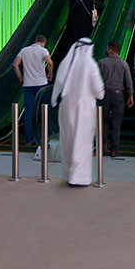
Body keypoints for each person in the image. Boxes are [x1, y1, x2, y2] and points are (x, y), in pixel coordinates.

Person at [51, 38, 104, 187]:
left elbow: (59, 84)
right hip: (84, 110)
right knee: (82, 143)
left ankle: (69, 175)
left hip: (66, 109)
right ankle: (79, 178)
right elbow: (98, 89)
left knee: (68, 141)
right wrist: (101, 94)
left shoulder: (66, 62)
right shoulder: (89, 63)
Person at [12, 34, 54, 145]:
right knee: (45, 110)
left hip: (28, 85)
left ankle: (28, 139)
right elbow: (50, 62)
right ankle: (47, 136)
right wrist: (50, 74)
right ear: (43, 43)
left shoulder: (24, 51)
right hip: (42, 85)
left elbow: (15, 65)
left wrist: (21, 78)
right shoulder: (43, 51)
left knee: (29, 111)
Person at [98, 40, 133, 157]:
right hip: (118, 96)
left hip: (104, 94)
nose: (107, 50)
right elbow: (128, 82)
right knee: (116, 122)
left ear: (111, 50)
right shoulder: (124, 64)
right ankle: (114, 149)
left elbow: (96, 79)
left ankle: (103, 146)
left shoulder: (101, 63)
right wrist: (130, 95)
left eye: (107, 49)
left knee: (103, 121)